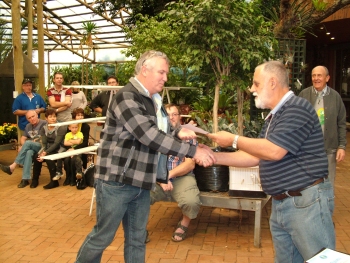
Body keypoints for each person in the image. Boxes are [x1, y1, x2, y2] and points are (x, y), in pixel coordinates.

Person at [75, 50, 214, 263]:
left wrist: (178, 132)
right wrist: (193, 151)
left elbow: (158, 129)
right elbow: (147, 135)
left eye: (166, 73)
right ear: (144, 70)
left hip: (142, 180)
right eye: (161, 72)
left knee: (137, 239)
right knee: (102, 237)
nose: (165, 78)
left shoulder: (154, 100)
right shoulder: (126, 96)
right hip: (117, 181)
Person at [207, 61, 335, 263]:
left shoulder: (297, 108)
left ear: (273, 82)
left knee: (321, 260)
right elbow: (256, 156)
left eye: (256, 84)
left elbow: (274, 151)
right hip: (284, 204)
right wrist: (211, 156)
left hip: (305, 204)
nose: (252, 89)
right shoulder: (273, 118)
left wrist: (233, 139)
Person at [149, 103, 200, 242]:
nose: (171, 117)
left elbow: (189, 164)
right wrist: (160, 179)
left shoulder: (188, 135)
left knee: (191, 201)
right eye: (167, 114)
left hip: (181, 176)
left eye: (174, 114)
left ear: (180, 117)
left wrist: (167, 176)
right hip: (157, 178)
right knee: (138, 196)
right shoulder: (154, 135)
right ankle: (138, 229)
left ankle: (184, 225)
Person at [299, 66, 347, 186]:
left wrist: (342, 146)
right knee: (307, 184)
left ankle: (327, 205)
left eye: (319, 75)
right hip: (307, 149)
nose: (316, 78)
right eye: (313, 75)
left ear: (327, 78)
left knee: (328, 183)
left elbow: (341, 123)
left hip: (329, 149)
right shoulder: (304, 95)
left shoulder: (335, 97)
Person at [0, 110, 46, 188]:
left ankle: (13, 166)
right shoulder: (28, 126)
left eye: (33, 116)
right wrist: (23, 146)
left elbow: (42, 139)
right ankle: (25, 179)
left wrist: (25, 145)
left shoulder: (43, 123)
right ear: (27, 119)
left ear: (37, 115)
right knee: (28, 152)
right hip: (33, 146)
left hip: (42, 146)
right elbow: (22, 138)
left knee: (27, 144)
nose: (32, 119)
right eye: (29, 118)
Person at [32, 109, 67, 189]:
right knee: (36, 157)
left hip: (59, 149)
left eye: (54, 116)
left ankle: (54, 181)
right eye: (50, 117)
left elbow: (57, 143)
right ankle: (35, 180)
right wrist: (42, 152)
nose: (53, 118)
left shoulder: (61, 127)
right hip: (48, 149)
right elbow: (44, 143)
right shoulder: (44, 128)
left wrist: (46, 152)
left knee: (48, 158)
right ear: (46, 118)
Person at [58, 108, 91, 186]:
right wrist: (70, 148)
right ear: (74, 117)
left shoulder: (86, 127)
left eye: (82, 115)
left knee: (73, 160)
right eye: (78, 115)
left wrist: (74, 148)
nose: (80, 117)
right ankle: (68, 177)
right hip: (69, 149)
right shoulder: (70, 125)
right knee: (66, 160)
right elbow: (66, 140)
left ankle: (73, 178)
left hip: (80, 148)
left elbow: (85, 142)